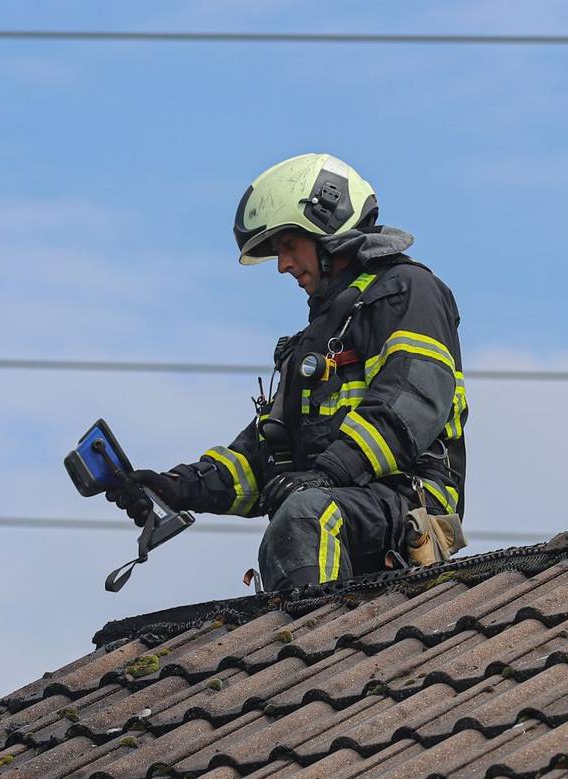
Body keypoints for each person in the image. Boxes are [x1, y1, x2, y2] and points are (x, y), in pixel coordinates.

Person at [107, 153, 469, 594]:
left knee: (304, 516)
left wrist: (328, 473)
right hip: (341, 498)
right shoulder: (317, 339)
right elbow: (263, 456)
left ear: (328, 222)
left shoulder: (407, 291)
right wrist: (175, 487)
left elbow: (412, 403)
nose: (282, 265)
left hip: (410, 501)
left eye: (289, 245)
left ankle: (317, 636)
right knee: (303, 512)